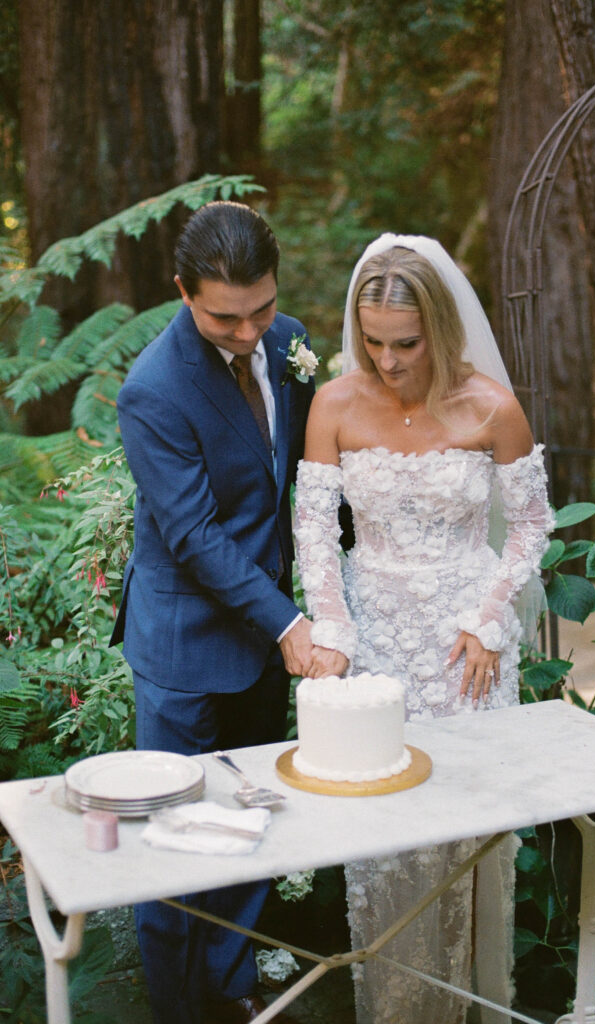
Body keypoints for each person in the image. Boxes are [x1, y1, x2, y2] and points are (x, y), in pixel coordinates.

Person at [293, 234, 555, 1024]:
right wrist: (332, 627)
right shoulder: (335, 404)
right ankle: (398, 1007)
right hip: (373, 640)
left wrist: (490, 618)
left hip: (465, 644)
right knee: (386, 833)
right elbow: (314, 529)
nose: (387, 361)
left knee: (467, 827)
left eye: (405, 344)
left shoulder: (489, 406)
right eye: (372, 342)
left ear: (439, 329)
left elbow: (529, 524)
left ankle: (469, 1004)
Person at [110, 201, 316, 1024]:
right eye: (224, 318)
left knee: (246, 819)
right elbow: (192, 534)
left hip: (263, 640)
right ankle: (173, 1007)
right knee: (173, 840)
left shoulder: (290, 341)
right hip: (185, 647)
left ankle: (232, 989)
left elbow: (302, 477)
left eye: (260, 310)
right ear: (182, 292)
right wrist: (289, 622)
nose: (247, 332)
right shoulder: (152, 390)